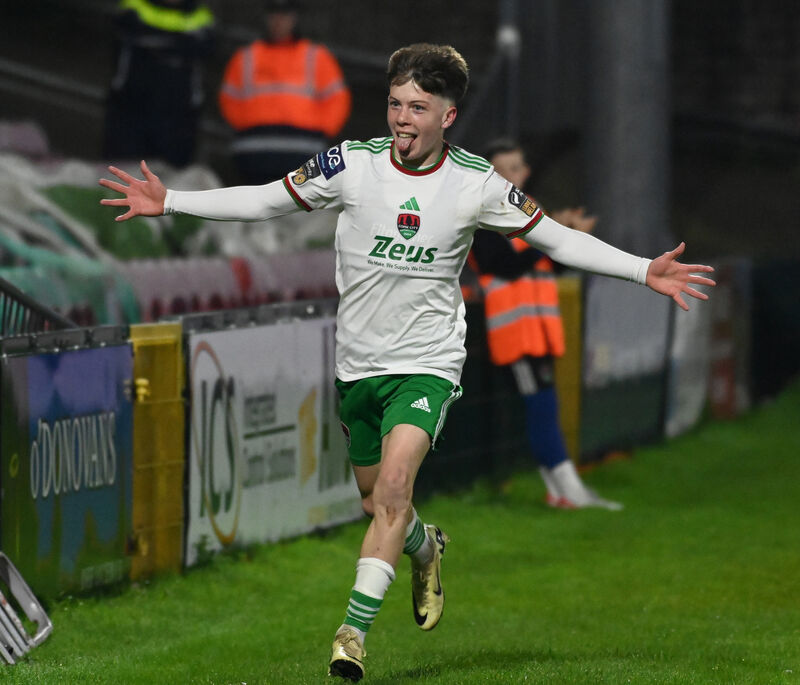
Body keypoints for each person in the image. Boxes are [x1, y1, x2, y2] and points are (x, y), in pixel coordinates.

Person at [99, 43, 715, 682]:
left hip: (428, 362)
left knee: (394, 488)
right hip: (358, 366)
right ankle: (427, 550)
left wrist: (644, 270)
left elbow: (556, 239)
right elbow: (266, 200)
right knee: (377, 504)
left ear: (448, 116)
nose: (401, 117)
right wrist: (170, 200)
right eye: (395, 103)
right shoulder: (350, 164)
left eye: (418, 107)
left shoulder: (477, 183)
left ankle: (351, 636)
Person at [470, 138, 622, 510]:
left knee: (546, 406)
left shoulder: (529, 211)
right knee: (540, 408)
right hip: (514, 334)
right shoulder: (484, 215)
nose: (518, 174)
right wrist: (553, 235)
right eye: (508, 167)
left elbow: (551, 266)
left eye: (520, 166)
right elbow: (501, 266)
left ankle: (564, 492)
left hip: (538, 330)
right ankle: (569, 492)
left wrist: (568, 237)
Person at [218, 0, 352, 184]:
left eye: (285, 15)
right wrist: (250, 126)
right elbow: (229, 99)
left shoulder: (317, 56)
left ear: (295, 18)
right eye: (274, 14)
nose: (279, 21)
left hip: (303, 148)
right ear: (266, 17)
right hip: (254, 149)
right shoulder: (246, 57)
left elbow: (337, 100)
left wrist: (320, 131)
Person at [103, 0, 215, 168]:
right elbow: (128, 31)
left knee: (169, 181)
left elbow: (203, 47)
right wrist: (176, 45)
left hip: (178, 117)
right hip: (130, 110)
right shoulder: (134, 8)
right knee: (120, 172)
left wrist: (156, 45)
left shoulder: (201, 18)